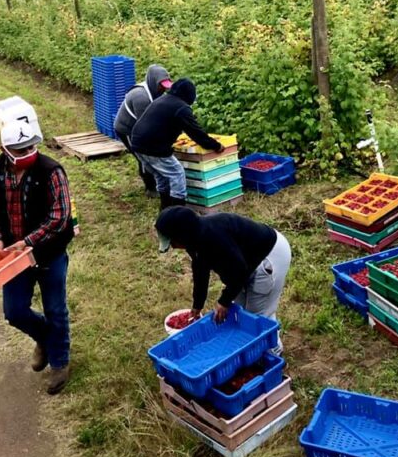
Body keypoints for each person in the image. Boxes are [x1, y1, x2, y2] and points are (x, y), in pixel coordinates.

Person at [0, 118, 75, 395]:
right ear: (4, 148)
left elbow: (60, 217)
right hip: (13, 255)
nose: (27, 154)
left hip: (48, 250)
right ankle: (45, 338)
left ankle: (60, 362)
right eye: (19, 151)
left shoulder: (51, 171)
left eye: (31, 147)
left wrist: (29, 242)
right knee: (14, 311)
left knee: (55, 309)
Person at [155, 206, 291, 353]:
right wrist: (197, 304)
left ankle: (273, 351)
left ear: (182, 235)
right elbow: (200, 269)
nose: (173, 247)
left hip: (269, 256)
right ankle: (251, 349)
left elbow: (239, 271)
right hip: (246, 262)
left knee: (257, 315)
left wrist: (224, 301)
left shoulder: (214, 237)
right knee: (240, 312)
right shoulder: (194, 238)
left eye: (173, 242)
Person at [131, 78, 224, 210]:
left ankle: (165, 209)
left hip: (137, 143)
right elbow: (196, 132)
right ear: (189, 95)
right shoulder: (181, 108)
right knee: (177, 174)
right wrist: (216, 145)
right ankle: (178, 213)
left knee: (161, 175)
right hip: (153, 146)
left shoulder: (162, 100)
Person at [114, 64, 173, 197]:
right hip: (127, 128)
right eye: (161, 86)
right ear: (153, 81)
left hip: (140, 126)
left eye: (166, 86)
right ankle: (150, 188)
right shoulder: (140, 97)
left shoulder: (156, 91)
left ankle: (156, 183)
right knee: (143, 155)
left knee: (149, 153)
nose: (163, 89)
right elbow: (147, 126)